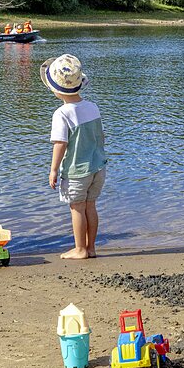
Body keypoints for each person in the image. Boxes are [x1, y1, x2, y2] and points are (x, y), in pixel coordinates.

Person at [43, 54, 106, 260]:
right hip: (98, 167)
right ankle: (91, 248)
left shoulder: (61, 114)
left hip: (77, 171)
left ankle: (80, 249)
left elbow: (60, 144)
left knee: (77, 208)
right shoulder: (93, 107)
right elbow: (101, 137)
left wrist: (53, 170)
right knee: (90, 206)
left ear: (55, 89)